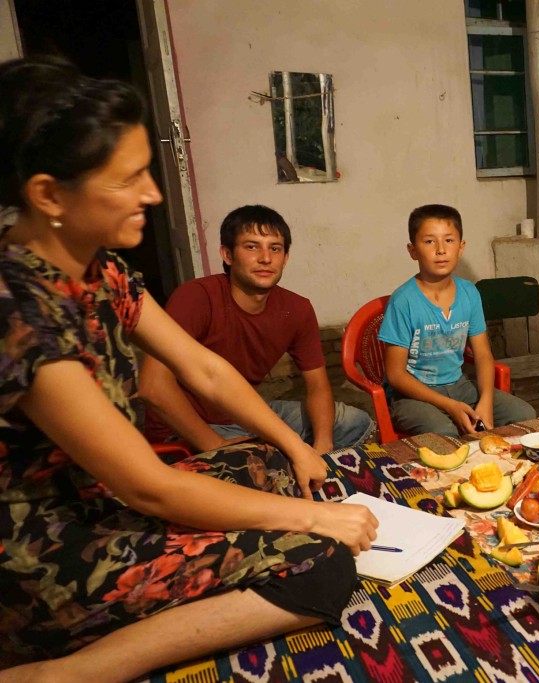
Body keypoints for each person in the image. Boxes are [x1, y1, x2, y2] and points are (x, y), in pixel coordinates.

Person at [0, 58, 378, 681]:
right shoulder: (22, 310)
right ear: (47, 195)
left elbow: (206, 371)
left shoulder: (102, 270)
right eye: (130, 178)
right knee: (320, 563)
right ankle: (68, 671)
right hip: (48, 549)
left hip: (103, 501)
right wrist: (313, 517)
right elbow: (147, 485)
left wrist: (298, 448)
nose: (152, 192)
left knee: (278, 462)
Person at [139, 205, 373, 454]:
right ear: (227, 255)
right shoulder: (197, 297)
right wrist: (215, 445)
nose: (265, 258)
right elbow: (153, 385)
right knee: (253, 461)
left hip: (244, 414)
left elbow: (317, 386)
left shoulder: (297, 308)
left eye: (275, 248)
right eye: (251, 247)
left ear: (285, 258)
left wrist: (323, 445)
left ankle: (270, 460)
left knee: (353, 422)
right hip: (189, 427)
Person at [378, 204, 535, 437]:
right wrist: (448, 406)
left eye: (449, 241)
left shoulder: (469, 293)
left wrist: (486, 402)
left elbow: (482, 355)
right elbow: (396, 375)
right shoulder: (404, 301)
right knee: (444, 432)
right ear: (412, 250)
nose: (441, 250)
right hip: (413, 395)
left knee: (523, 414)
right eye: (429, 242)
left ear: (461, 247)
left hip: (460, 386)